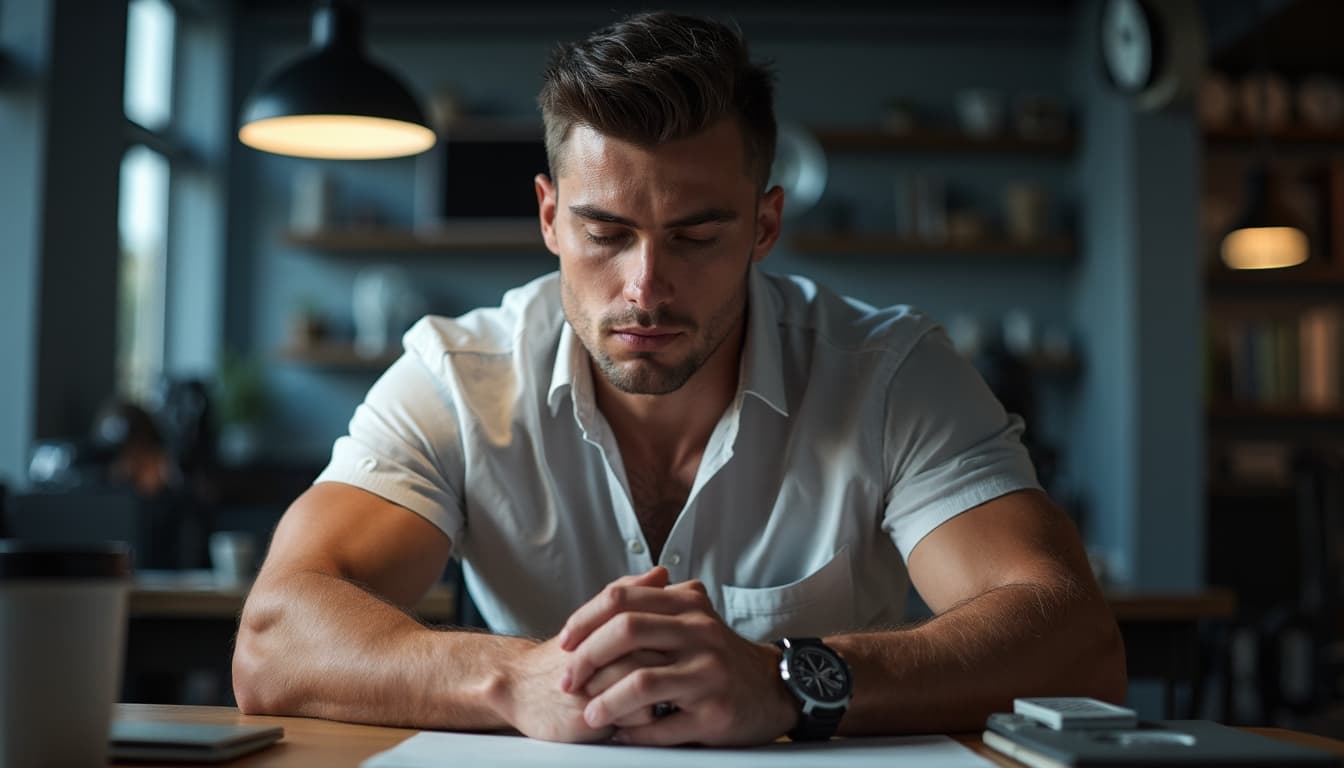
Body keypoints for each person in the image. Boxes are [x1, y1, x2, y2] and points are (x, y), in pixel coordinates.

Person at [233, 11, 1125, 746]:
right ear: (549, 217)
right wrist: (509, 677)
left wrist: (789, 681)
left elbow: (1074, 640)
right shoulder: (459, 374)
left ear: (764, 225)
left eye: (697, 236)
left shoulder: (890, 373)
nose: (646, 288)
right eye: (606, 232)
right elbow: (275, 637)